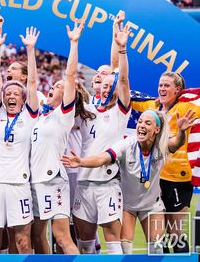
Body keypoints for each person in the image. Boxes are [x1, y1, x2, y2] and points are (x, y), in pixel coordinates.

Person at [63, 109, 197, 254]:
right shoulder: (127, 145)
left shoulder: (161, 145)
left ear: (157, 129)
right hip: (127, 206)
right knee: (126, 250)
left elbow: (176, 143)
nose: (141, 125)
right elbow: (103, 158)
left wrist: (182, 132)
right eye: (140, 122)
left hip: (152, 205)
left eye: (147, 123)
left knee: (157, 249)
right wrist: (81, 161)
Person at [73, 21, 132, 254]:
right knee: (85, 244)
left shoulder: (121, 110)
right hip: (83, 181)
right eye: (102, 83)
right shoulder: (88, 108)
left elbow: (121, 76)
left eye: (110, 84)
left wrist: (121, 46)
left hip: (107, 184)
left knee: (112, 242)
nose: (106, 87)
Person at [0, 26, 40, 254]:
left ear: (23, 97)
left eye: (16, 93)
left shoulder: (29, 115)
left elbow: (33, 82)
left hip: (19, 185)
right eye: (8, 94)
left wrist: (30, 49)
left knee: (23, 243)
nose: (11, 95)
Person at [30, 20, 84, 254]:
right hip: (33, 180)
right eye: (55, 83)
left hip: (53, 180)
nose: (54, 85)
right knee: (37, 236)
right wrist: (30, 50)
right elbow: (31, 83)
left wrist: (73, 43)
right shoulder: (41, 114)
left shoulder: (64, 115)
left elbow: (70, 75)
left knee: (61, 237)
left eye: (60, 86)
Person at [132, 72, 200, 253]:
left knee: (175, 233)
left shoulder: (186, 106)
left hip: (178, 179)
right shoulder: (153, 107)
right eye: (160, 85)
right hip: (155, 179)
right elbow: (130, 99)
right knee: (158, 234)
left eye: (166, 86)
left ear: (178, 90)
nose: (162, 88)